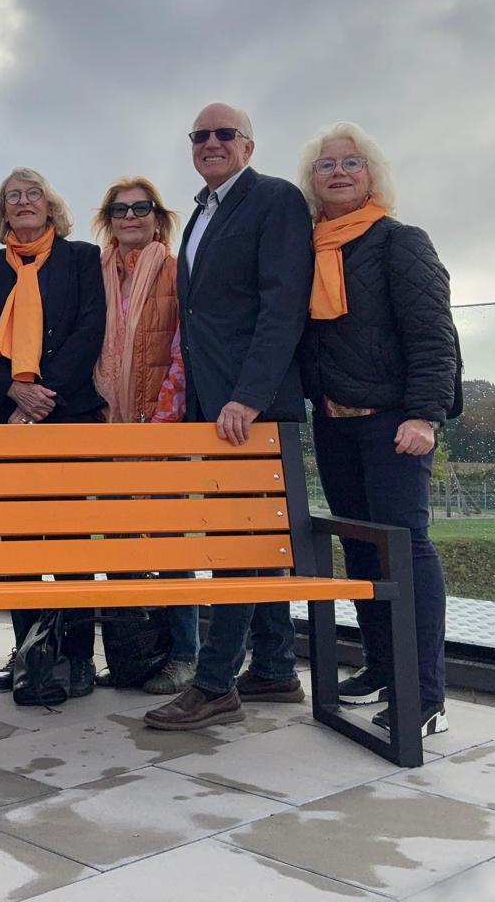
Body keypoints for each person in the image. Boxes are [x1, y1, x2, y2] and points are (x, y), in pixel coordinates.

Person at [145, 103, 313, 733]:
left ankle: (215, 684)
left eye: (224, 134)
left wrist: (248, 396)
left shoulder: (275, 199)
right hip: (214, 408)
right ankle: (274, 667)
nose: (210, 142)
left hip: (249, 410)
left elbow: (282, 307)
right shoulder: (202, 213)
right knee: (255, 541)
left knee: (238, 547)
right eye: (200, 135)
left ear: (248, 145)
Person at [297, 122, 458, 738]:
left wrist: (425, 415)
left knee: (406, 550)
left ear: (372, 175)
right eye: (326, 165)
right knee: (361, 549)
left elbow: (433, 335)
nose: (338, 173)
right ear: (312, 180)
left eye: (351, 163)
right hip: (334, 423)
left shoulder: (399, 241)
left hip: (393, 424)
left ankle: (424, 694)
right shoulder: (312, 249)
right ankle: (383, 668)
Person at [0, 168, 106, 699]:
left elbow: (90, 329)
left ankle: (78, 657)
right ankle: (28, 652)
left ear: (51, 206)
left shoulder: (82, 258)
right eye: (13, 197)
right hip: (5, 418)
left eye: (33, 194)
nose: (23, 202)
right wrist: (14, 391)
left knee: (72, 542)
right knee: (18, 543)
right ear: (3, 212)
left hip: (66, 414)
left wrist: (42, 395)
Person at [90, 177, 199, 696]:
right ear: (107, 219)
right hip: (108, 429)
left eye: (141, 208)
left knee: (171, 546)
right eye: (120, 209)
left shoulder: (177, 272)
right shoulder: (96, 274)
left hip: (159, 429)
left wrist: (161, 423)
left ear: (158, 217)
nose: (130, 216)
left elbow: (183, 349)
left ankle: (184, 655)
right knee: (118, 545)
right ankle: (133, 656)